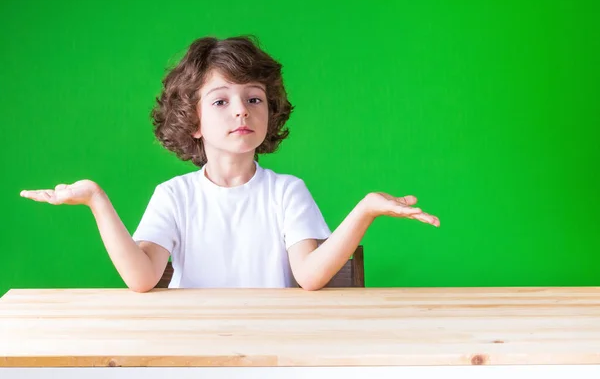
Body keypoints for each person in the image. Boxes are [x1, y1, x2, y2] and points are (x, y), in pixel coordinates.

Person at [20, 35, 440, 292]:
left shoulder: (286, 191)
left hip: (272, 350)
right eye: (221, 100)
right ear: (194, 121)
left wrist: (366, 208)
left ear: (269, 112)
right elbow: (143, 277)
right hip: (192, 351)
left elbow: (310, 276)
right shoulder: (174, 195)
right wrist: (96, 198)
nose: (241, 111)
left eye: (254, 99)